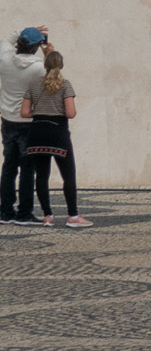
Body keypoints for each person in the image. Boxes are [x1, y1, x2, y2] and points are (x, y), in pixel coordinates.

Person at [19, 49, 84, 225]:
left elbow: (24, 112)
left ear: (45, 65)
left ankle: (48, 216)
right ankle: (73, 216)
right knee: (68, 175)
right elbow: (71, 113)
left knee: (41, 175)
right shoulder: (65, 85)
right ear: (61, 65)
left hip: (37, 132)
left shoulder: (33, 84)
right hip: (58, 133)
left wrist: (40, 112)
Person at [1, 27, 48, 225]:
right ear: (37, 47)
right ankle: (25, 213)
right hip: (28, 122)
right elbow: (54, 75)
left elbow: (6, 39)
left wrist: (26, 29)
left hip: (7, 119)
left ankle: (5, 211)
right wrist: (49, 53)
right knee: (28, 169)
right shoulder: (39, 68)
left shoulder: (4, 59)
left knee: (9, 166)